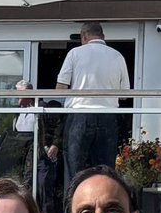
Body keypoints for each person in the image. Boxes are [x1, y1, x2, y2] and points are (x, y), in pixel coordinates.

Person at [55, 23, 130, 183]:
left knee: (74, 171)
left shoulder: (75, 53)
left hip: (79, 115)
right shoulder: (117, 56)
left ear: (84, 36)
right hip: (108, 116)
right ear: (103, 36)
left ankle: (73, 207)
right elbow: (124, 94)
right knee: (105, 172)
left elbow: (60, 88)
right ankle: (105, 205)